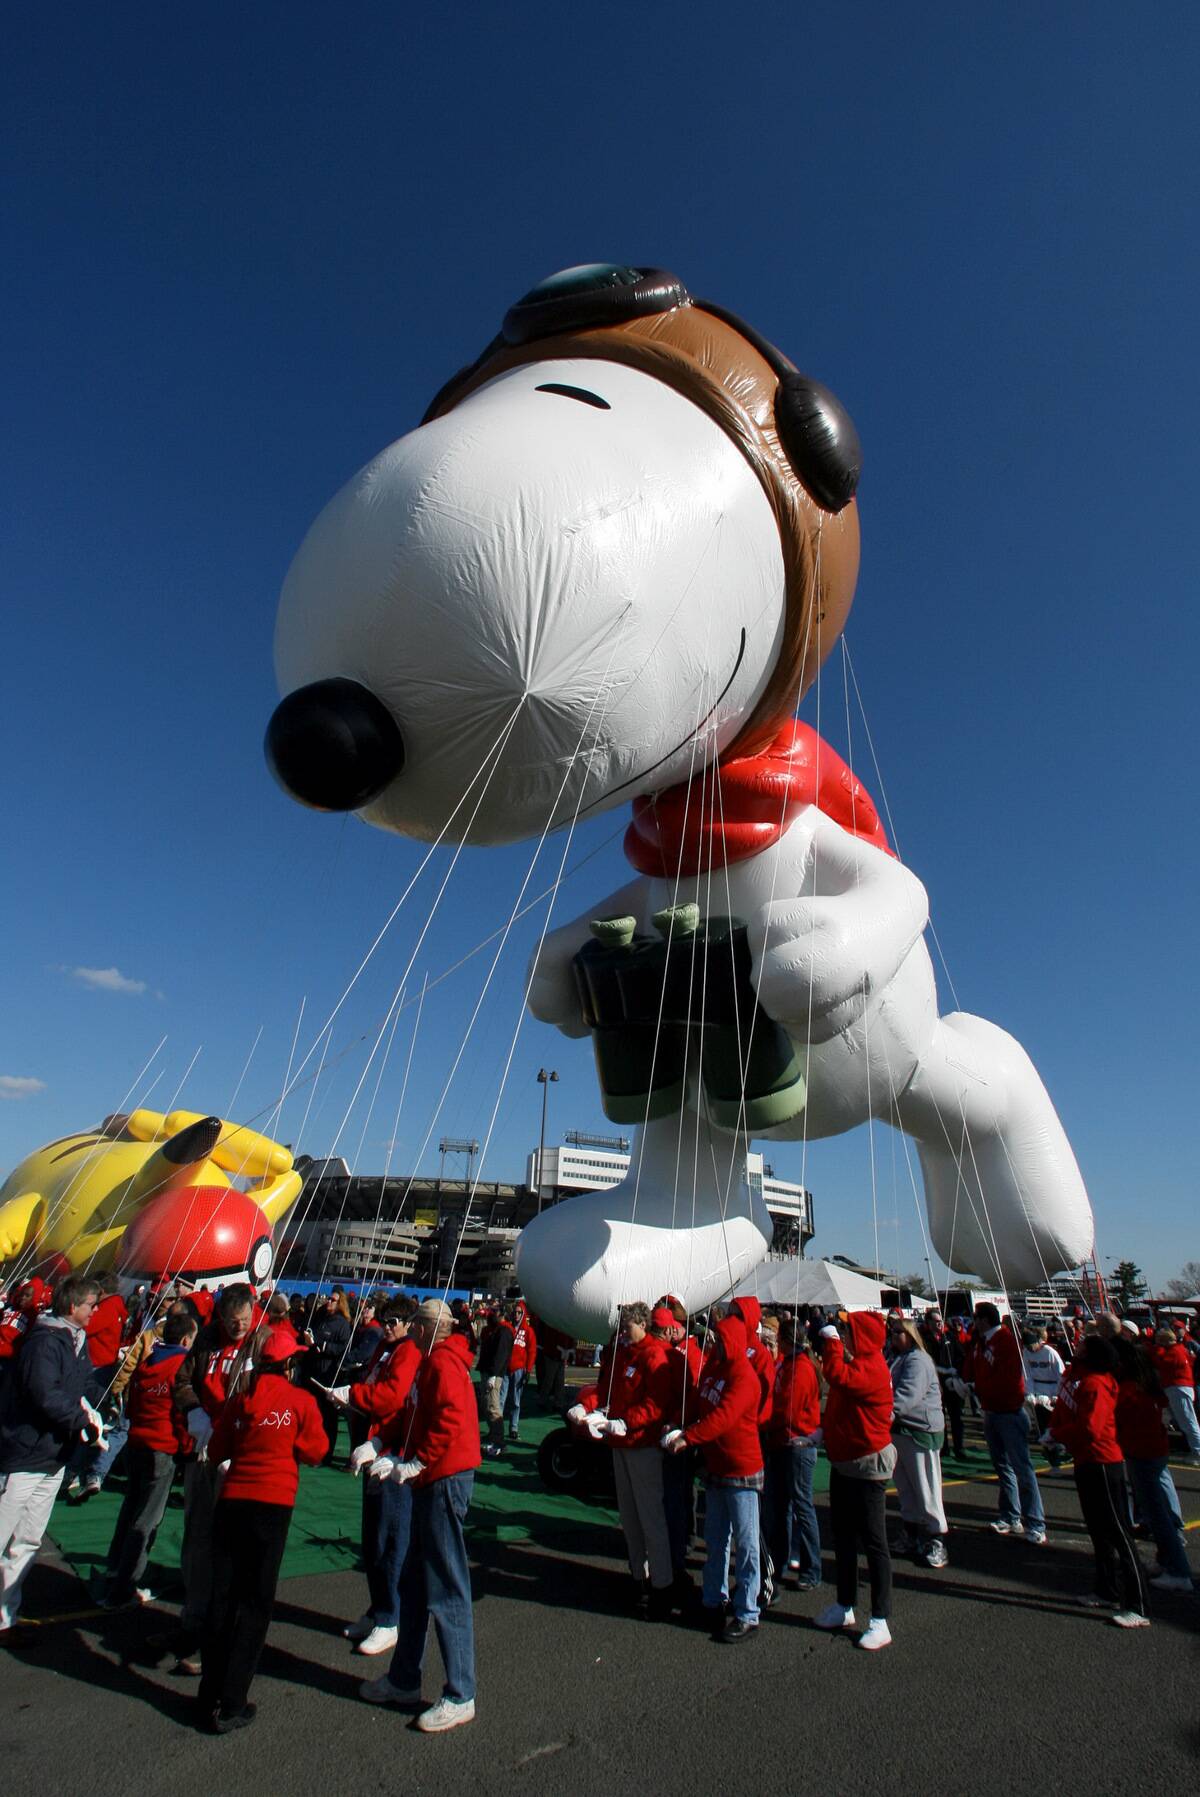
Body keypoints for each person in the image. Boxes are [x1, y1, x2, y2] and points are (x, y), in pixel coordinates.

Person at [358, 1299, 482, 1732]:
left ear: (432, 1328)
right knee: (412, 1581)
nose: (410, 1330)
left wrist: (417, 1461)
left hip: (443, 1478)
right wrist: (380, 1444)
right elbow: (412, 1416)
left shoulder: (444, 1365)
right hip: (431, 1476)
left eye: (416, 1325)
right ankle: (404, 1677)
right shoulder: (430, 1362)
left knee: (446, 1585)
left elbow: (449, 1421)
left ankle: (460, 1691)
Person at [197, 1324, 327, 1731]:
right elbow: (315, 1451)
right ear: (288, 1366)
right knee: (255, 1602)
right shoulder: (301, 1401)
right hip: (272, 1506)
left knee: (223, 1597)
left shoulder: (240, 1401)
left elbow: (218, 1450)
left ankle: (209, 1691)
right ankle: (233, 1701)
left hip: (233, 1502)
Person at [0, 1274, 104, 1633]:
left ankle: (4, 1618)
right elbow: (45, 1393)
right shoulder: (44, 1342)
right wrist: (81, 1420)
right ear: (72, 1306)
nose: (95, 1312)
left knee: (28, 1538)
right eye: (91, 1305)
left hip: (53, 1454)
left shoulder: (77, 1341)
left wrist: (100, 1405)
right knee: (1, 1533)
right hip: (26, 1452)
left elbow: (84, 1382)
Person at [170, 1282, 257, 1671]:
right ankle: (193, 1619)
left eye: (243, 1321)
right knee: (198, 1535)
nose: (238, 1327)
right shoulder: (206, 1339)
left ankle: (222, 1630)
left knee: (231, 1543)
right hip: (203, 1450)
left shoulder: (264, 1342)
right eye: (232, 1322)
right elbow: (182, 1381)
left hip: (236, 1456)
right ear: (221, 1317)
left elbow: (271, 1396)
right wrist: (194, 1413)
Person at [664, 1311, 762, 1644]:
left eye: (719, 1339)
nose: (713, 1343)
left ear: (731, 1342)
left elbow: (724, 1417)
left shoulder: (744, 1377)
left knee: (746, 1544)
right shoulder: (713, 1369)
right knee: (716, 1538)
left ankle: (747, 1611)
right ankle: (713, 1598)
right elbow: (699, 1403)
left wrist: (688, 1437)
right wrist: (679, 1423)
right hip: (717, 1466)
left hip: (741, 1469)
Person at [334, 1299, 421, 1655]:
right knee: (372, 1539)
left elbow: (391, 1397)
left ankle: (390, 1618)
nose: (386, 1326)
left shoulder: (408, 1353)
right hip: (373, 1443)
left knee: (389, 1539)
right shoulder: (385, 1349)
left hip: (392, 1451)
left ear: (409, 1323)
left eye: (393, 1321)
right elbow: (375, 1389)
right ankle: (378, 1608)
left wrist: (354, 1394)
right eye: (384, 1320)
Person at [98, 1306, 196, 1606]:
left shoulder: (147, 1363)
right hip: (162, 1446)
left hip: (137, 1440)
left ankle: (115, 1566)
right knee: (147, 1519)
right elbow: (181, 1410)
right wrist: (186, 1444)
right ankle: (126, 1585)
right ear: (185, 1341)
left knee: (130, 1507)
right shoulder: (180, 1365)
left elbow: (134, 1400)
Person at [1049, 1335, 1148, 1627]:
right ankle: (1107, 1588)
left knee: (1118, 1530)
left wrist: (1059, 1434)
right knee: (1098, 1530)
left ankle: (1139, 1604)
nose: (1076, 1347)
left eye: (1083, 1347)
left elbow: (1090, 1428)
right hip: (1087, 1460)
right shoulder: (1084, 1379)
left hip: (1103, 1462)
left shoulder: (1096, 1383)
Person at [815, 1312, 896, 1650]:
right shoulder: (862, 1364)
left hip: (867, 1465)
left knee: (874, 1542)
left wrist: (830, 1341)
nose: (844, 1334)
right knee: (844, 1537)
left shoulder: (872, 1368)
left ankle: (880, 1619)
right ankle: (845, 1604)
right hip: (846, 1461)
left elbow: (835, 1375)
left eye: (848, 1330)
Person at [591, 1302, 676, 1619]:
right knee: (629, 1516)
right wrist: (601, 1411)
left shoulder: (654, 1355)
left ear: (642, 1324)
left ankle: (663, 1585)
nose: (623, 1333)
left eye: (627, 1328)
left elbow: (656, 1403)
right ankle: (639, 1577)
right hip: (621, 1442)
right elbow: (609, 1387)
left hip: (642, 1444)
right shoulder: (624, 1352)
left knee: (650, 1516)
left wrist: (627, 1420)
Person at [1114, 1338, 1195, 1593]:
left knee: (1157, 1513)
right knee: (1155, 1510)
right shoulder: (1146, 1385)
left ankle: (1179, 1571)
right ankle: (1166, 1560)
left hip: (1143, 1451)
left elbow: (1126, 1421)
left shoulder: (1131, 1390)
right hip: (1150, 1450)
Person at [962, 1304, 1046, 1544]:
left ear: (984, 1320)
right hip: (992, 1410)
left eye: (976, 1318)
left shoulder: (1005, 1341)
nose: (973, 1322)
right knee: (1003, 1467)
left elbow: (1007, 1379)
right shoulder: (982, 1343)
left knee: (1022, 1468)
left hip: (1009, 1412)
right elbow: (974, 1370)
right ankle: (1010, 1515)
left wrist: (977, 1387)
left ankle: (1036, 1522)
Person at [761, 1316, 822, 1591]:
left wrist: (763, 1422)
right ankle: (780, 1561)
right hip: (782, 1443)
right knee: (781, 1507)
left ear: (785, 1341)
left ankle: (811, 1568)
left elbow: (789, 1411)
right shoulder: (787, 1365)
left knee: (801, 1505)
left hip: (795, 1444)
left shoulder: (801, 1369)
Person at [888, 1319, 948, 1568]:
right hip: (901, 1430)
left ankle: (937, 1538)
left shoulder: (918, 1361)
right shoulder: (899, 1358)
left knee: (926, 1485)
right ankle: (911, 1533)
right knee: (906, 1486)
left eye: (898, 1332)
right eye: (891, 1331)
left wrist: (883, 1414)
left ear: (910, 1335)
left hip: (919, 1430)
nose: (893, 1335)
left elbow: (907, 1396)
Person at [919, 1308, 965, 1457]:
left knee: (956, 1416)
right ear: (929, 1323)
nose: (939, 1324)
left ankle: (959, 1447)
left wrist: (956, 1371)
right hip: (935, 1383)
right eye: (936, 1321)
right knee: (939, 1416)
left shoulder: (949, 1336)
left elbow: (960, 1356)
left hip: (951, 1383)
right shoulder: (924, 1340)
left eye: (941, 1321)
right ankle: (944, 1447)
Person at [1151, 1328, 1200, 1463]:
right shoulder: (1180, 1350)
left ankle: (1198, 1451)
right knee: (1184, 1421)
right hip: (1179, 1388)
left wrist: (1157, 1349)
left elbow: (1161, 1362)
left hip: (1178, 1388)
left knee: (1188, 1421)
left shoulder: (1174, 1352)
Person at [1022, 1325, 1066, 1465]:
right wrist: (1030, 1393)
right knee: (1042, 1424)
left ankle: (1060, 1448)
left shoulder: (1049, 1352)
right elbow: (1027, 1374)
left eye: (1031, 1345)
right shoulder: (1026, 1352)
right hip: (1038, 1389)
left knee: (1055, 1423)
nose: (1030, 1349)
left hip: (1052, 1387)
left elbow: (1061, 1374)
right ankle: (1051, 1455)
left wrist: (1057, 1394)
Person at [475, 1306, 514, 1459]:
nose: (491, 1315)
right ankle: (494, 1435)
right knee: (487, 1405)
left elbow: (501, 1355)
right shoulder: (496, 1329)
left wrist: (494, 1374)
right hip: (489, 1371)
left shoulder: (504, 1331)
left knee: (493, 1406)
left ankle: (498, 1441)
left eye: (494, 1313)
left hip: (494, 1374)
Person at [504, 1300, 536, 1442]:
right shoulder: (507, 1328)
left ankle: (514, 1428)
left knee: (516, 1401)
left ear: (523, 1314)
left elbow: (532, 1351)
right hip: (505, 1368)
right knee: (501, 1399)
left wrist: (528, 1370)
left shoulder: (528, 1332)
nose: (516, 1315)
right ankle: (497, 1428)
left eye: (519, 1312)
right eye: (515, 1312)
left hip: (519, 1369)